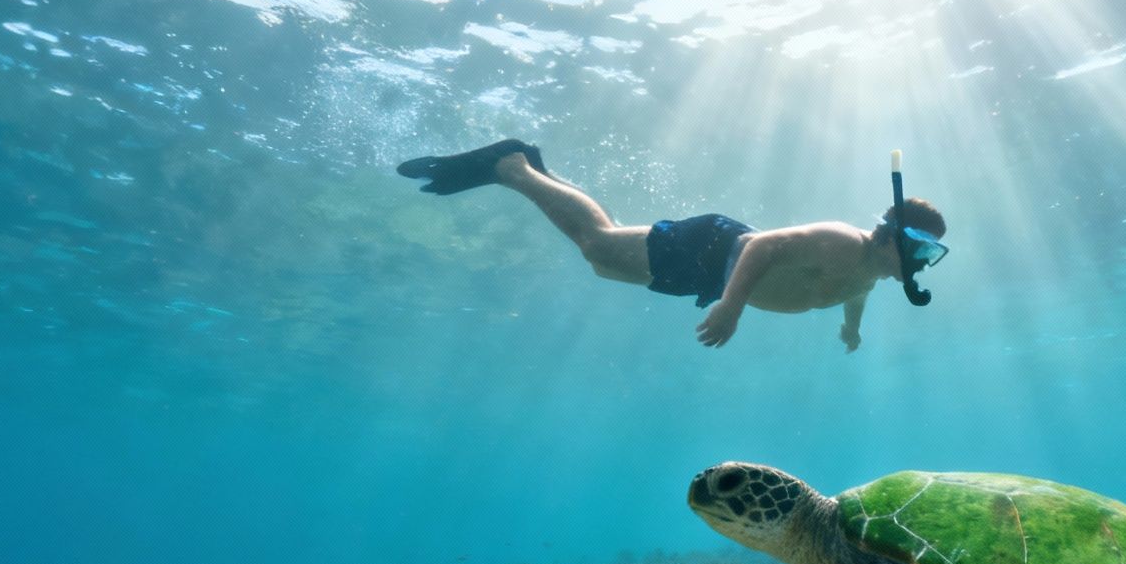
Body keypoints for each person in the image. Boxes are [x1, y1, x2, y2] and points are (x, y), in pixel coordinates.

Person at [397, 139, 948, 351]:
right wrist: (731, 307)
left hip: (710, 270)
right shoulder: (842, 241)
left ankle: (537, 172)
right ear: (893, 237)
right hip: (715, 250)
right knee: (598, 248)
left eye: (931, 255)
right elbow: (762, 247)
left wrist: (852, 329)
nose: (924, 263)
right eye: (922, 248)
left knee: (603, 255)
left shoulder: (870, 272)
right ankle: (513, 167)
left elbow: (855, 292)